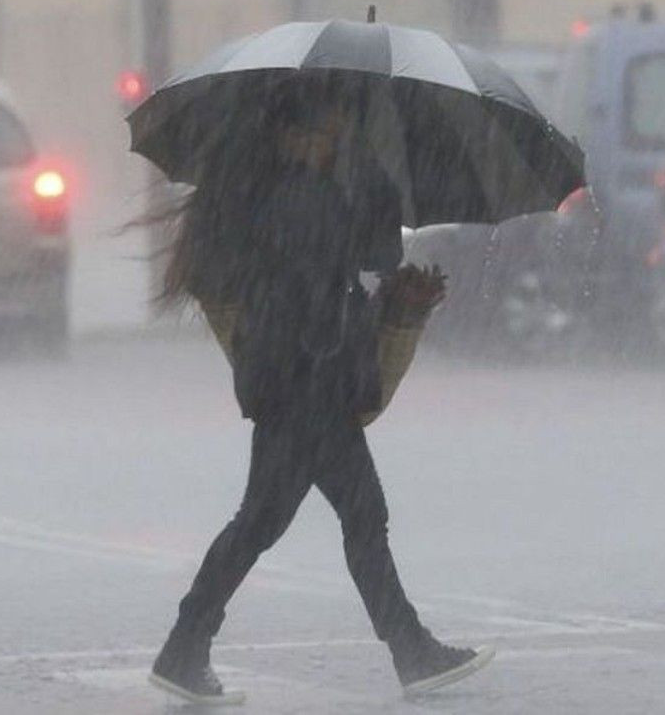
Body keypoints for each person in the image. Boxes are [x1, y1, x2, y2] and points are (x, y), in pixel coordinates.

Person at [149, 77, 494, 705]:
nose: (337, 133)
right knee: (349, 520)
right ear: (295, 136)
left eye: (340, 122)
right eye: (330, 124)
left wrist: (373, 282)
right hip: (309, 387)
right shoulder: (305, 199)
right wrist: (371, 304)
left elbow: (334, 278)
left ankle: (185, 646)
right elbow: (328, 291)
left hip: (293, 385)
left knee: (271, 523)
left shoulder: (285, 196)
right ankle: (410, 651)